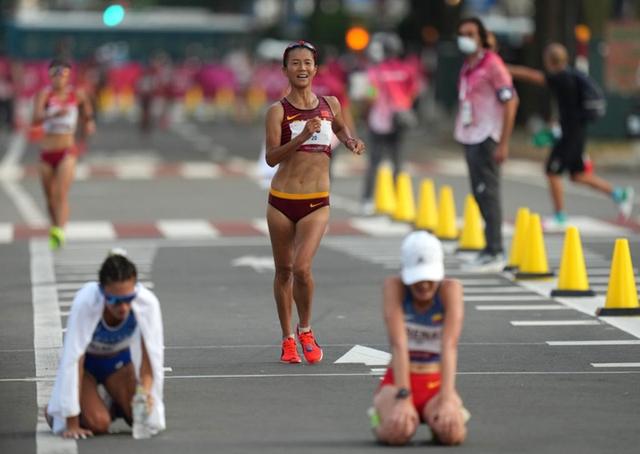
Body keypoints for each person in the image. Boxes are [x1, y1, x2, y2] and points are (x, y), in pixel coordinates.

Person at [265, 41, 365, 364]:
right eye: (295, 63)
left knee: (302, 268)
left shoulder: (330, 104)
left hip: (316, 203)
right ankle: (287, 339)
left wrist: (349, 140)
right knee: (283, 271)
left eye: (307, 63)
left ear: (315, 68)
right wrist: (301, 137)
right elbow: (270, 158)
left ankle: (306, 328)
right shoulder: (277, 111)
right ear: (285, 70)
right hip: (281, 201)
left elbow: (339, 126)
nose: (302, 68)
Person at [508, 43, 635, 225]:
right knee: (578, 175)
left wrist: (507, 69)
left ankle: (560, 216)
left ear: (548, 60)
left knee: (552, 171)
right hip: (576, 132)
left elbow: (533, 76)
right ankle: (619, 194)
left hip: (570, 135)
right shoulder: (571, 77)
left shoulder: (560, 77)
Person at [46, 250, 165, 438]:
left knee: (142, 419)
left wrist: (145, 394)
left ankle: (113, 402)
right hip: (86, 368)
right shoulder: (86, 301)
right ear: (102, 291)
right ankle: (55, 411)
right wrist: (70, 422)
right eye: (115, 301)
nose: (123, 307)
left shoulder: (147, 304)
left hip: (118, 364)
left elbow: (151, 358)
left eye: (128, 299)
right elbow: (73, 358)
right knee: (99, 424)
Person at [369, 231, 468, 446]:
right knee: (397, 433)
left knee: (453, 434)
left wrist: (447, 398)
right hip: (399, 382)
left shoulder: (451, 290)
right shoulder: (394, 288)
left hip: (435, 382)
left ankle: (440, 420)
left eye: (429, 278)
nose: (423, 285)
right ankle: (377, 414)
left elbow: (449, 346)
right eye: (417, 279)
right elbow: (399, 344)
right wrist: (403, 397)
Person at [454, 17, 518, 272]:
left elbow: (511, 101)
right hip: (471, 134)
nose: (465, 38)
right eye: (461, 33)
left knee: (488, 193)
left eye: (470, 33)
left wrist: (503, 142)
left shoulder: (493, 65)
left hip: (488, 136)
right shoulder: (468, 66)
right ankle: (489, 247)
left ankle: (496, 251)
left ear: (480, 37)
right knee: (479, 193)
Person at [32, 59, 95, 250]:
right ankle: (55, 227)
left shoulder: (77, 94)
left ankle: (60, 230)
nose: (59, 79)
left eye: (63, 74)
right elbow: (35, 119)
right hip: (46, 152)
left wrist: (88, 124)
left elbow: (87, 112)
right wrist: (52, 115)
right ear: (50, 75)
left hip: (67, 151)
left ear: (68, 75)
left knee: (60, 193)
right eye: (55, 74)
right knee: (49, 197)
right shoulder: (45, 94)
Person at [361, 32, 420, 215]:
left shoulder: (375, 71)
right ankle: (398, 200)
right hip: (399, 121)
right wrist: (403, 105)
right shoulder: (406, 69)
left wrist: (366, 112)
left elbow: (370, 96)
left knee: (374, 162)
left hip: (379, 121)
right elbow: (414, 92)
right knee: (398, 161)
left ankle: (368, 200)